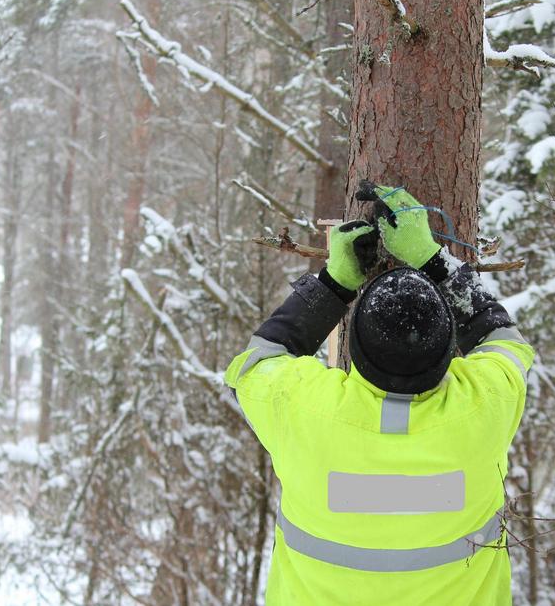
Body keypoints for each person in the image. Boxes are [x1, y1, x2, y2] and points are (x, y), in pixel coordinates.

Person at [225, 184, 534, 605]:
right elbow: (503, 338)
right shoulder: (485, 407)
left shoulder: (303, 409)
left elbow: (256, 361)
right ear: (450, 353)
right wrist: (433, 259)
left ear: (353, 348)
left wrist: (335, 283)